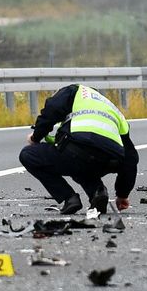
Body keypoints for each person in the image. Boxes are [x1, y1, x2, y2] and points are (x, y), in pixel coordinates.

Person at [19, 84, 138, 215]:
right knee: (83, 162)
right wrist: (122, 194)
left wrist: (36, 137)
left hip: (76, 152)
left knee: (28, 155)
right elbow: (130, 158)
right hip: (109, 160)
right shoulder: (112, 108)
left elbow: (51, 111)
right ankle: (98, 193)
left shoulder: (76, 91)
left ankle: (69, 198)